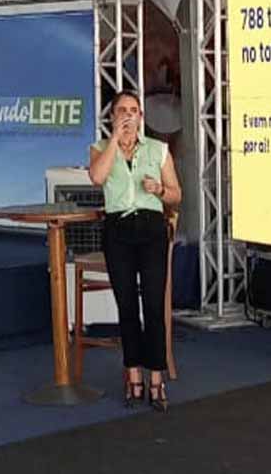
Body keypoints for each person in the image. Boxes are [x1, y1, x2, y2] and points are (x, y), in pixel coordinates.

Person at [88, 90, 182, 412]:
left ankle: (156, 377)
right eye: (122, 111)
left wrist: (159, 189)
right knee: (126, 306)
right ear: (113, 116)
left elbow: (176, 195)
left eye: (134, 110)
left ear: (142, 117)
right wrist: (115, 139)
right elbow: (97, 177)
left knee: (153, 305)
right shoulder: (100, 148)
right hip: (118, 231)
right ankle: (133, 375)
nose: (128, 115)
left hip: (151, 230)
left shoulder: (158, 150)